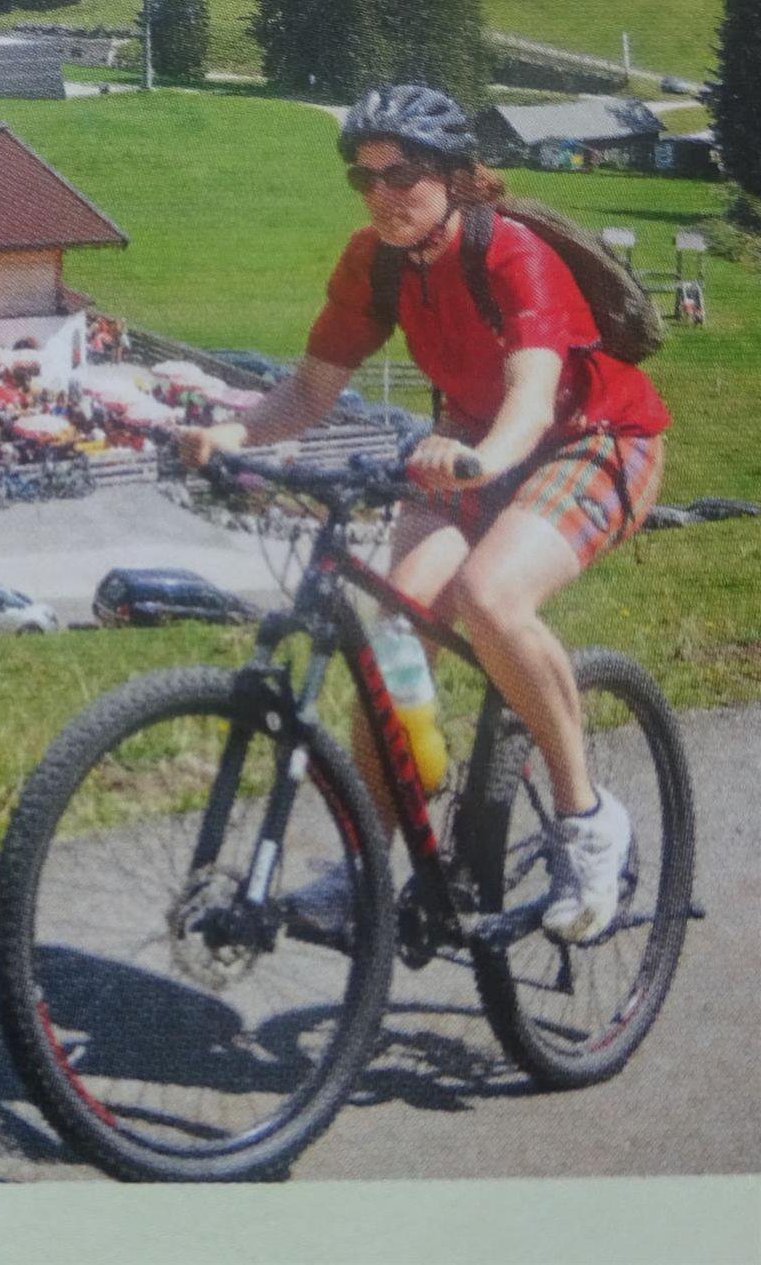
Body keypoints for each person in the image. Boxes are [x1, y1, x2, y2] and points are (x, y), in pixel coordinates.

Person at [177, 84, 670, 944]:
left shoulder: (512, 252)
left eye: (400, 174)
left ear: (453, 175)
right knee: (392, 633)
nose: (380, 195)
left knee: (490, 596)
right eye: (363, 179)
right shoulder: (373, 262)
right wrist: (233, 433)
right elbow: (310, 391)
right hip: (471, 444)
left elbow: (533, 395)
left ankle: (588, 821)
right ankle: (371, 862)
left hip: (594, 440)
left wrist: (480, 458)